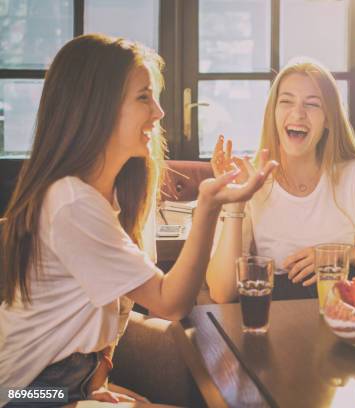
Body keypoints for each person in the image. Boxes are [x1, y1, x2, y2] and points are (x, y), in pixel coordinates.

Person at [0, 34, 276, 406]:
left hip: (66, 384)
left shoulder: (110, 195)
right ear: (97, 107)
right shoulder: (72, 204)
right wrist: (209, 204)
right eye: (144, 97)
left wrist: (90, 385)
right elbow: (171, 301)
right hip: (26, 393)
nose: (160, 113)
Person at [206, 59, 355, 303]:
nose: (297, 113)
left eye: (312, 104)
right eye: (286, 102)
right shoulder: (251, 181)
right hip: (277, 318)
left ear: (328, 119)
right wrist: (236, 205)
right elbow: (222, 293)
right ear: (273, 114)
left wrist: (345, 256)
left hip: (343, 313)